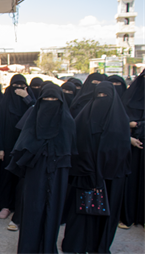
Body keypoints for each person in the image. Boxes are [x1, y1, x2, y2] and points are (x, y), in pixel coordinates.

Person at [62, 81, 131, 254]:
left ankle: (100, 246)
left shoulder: (120, 122)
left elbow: (122, 153)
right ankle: (76, 245)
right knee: (81, 212)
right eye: (98, 96)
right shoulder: (84, 119)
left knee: (106, 214)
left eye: (105, 97)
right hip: (86, 174)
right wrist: (91, 170)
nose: (101, 100)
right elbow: (76, 146)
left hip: (111, 178)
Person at [7, 84, 77, 253]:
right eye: (46, 99)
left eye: (54, 100)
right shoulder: (33, 119)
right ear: (40, 101)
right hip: (35, 174)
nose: (50, 103)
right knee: (33, 211)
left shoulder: (67, 121)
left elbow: (70, 151)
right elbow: (22, 148)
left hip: (58, 173)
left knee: (52, 211)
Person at [0, 74, 35, 220]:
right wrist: (0, 148)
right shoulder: (5, 101)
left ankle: (19, 208)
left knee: (22, 180)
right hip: (8, 146)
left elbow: (37, 110)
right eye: (15, 87)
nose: (17, 90)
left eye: (21, 86)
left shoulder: (30, 101)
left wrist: (26, 97)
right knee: (6, 177)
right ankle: (5, 205)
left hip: (25, 147)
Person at [120, 69, 145, 229]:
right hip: (131, 148)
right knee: (131, 182)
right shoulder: (129, 98)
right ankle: (127, 216)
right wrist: (128, 132)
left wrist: (139, 125)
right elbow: (117, 119)